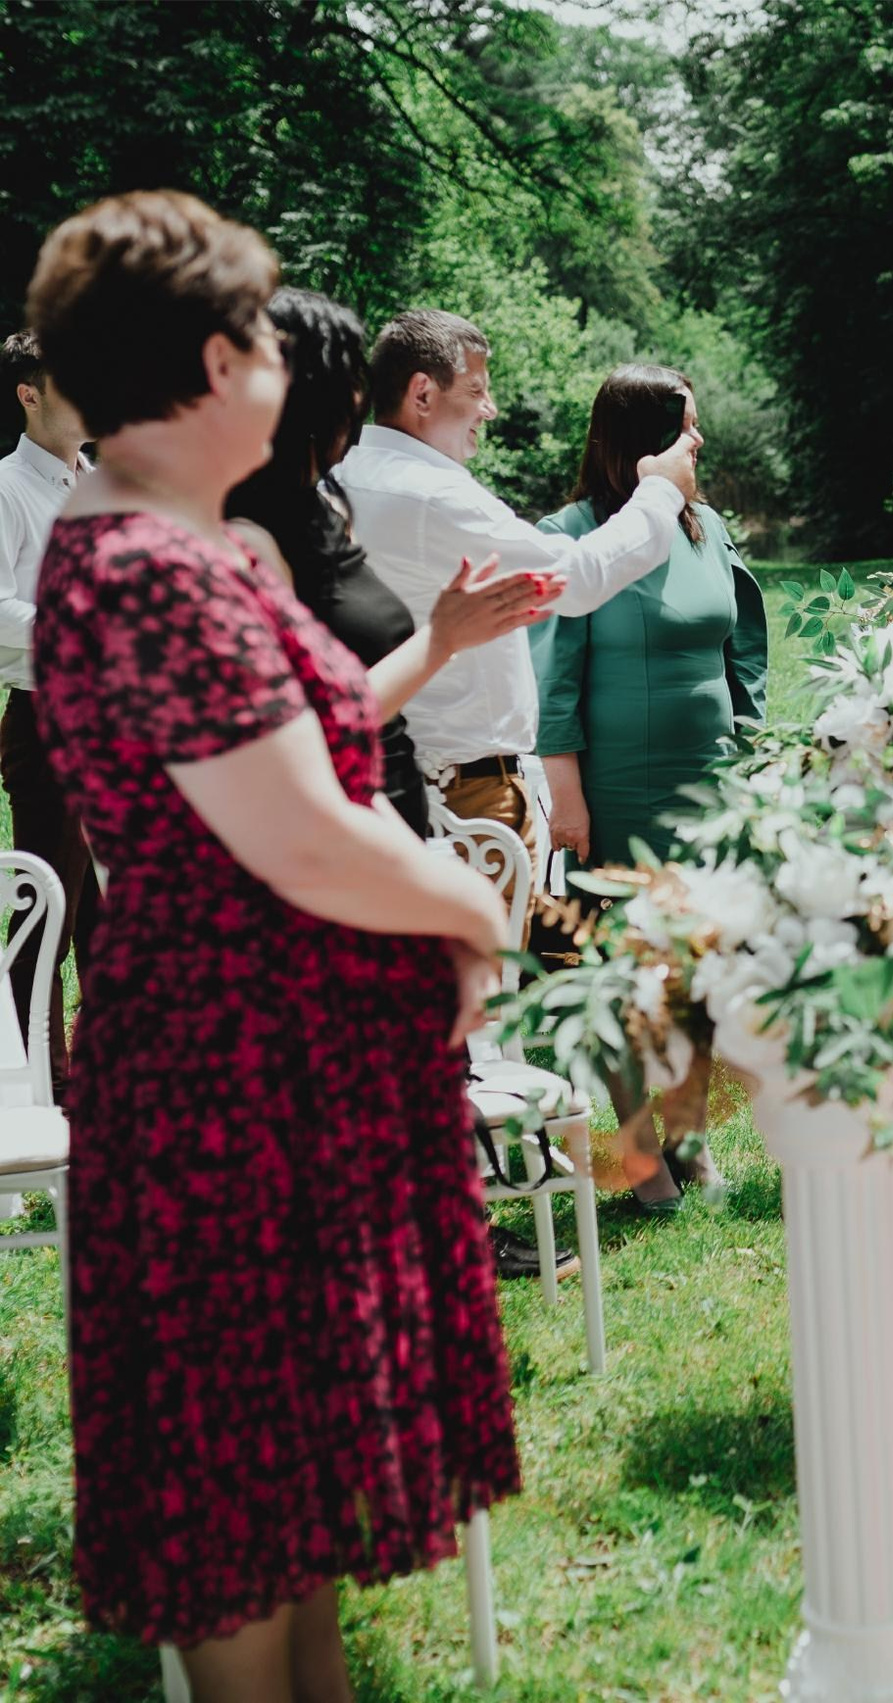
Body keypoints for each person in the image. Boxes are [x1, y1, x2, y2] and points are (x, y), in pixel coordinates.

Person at [27, 189, 520, 1698]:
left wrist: (435, 643)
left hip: (301, 1067)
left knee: (298, 1493)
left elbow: (305, 739)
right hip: (230, 1078)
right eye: (251, 334)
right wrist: (473, 909)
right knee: (240, 1492)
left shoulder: (210, 547)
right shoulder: (144, 570)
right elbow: (295, 829)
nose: (277, 362)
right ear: (191, 362)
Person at [225, 287, 570, 1284]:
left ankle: (433, 1240)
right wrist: (445, 638)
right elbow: (298, 725)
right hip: (324, 846)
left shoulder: (319, 506)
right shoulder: (243, 534)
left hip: (386, 814)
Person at [334, 309, 700, 855]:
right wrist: (660, 492)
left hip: (385, 774)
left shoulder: (342, 475)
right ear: (422, 394)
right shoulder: (434, 496)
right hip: (462, 796)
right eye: (477, 389)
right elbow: (574, 581)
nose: (491, 408)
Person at [533, 364, 767, 1210]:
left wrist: (749, 752)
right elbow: (551, 678)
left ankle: (689, 1141)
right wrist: (567, 796)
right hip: (614, 790)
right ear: (644, 441)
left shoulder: (705, 528)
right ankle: (638, 1159)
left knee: (700, 970)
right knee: (621, 975)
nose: (700, 441)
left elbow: (745, 645)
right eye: (687, 426)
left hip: (706, 787)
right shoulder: (573, 534)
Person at [0, 329, 98, 1074]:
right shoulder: (3, 489)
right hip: (49, 719)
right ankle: (36, 1086)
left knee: (115, 916)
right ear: (29, 395)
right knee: (48, 912)